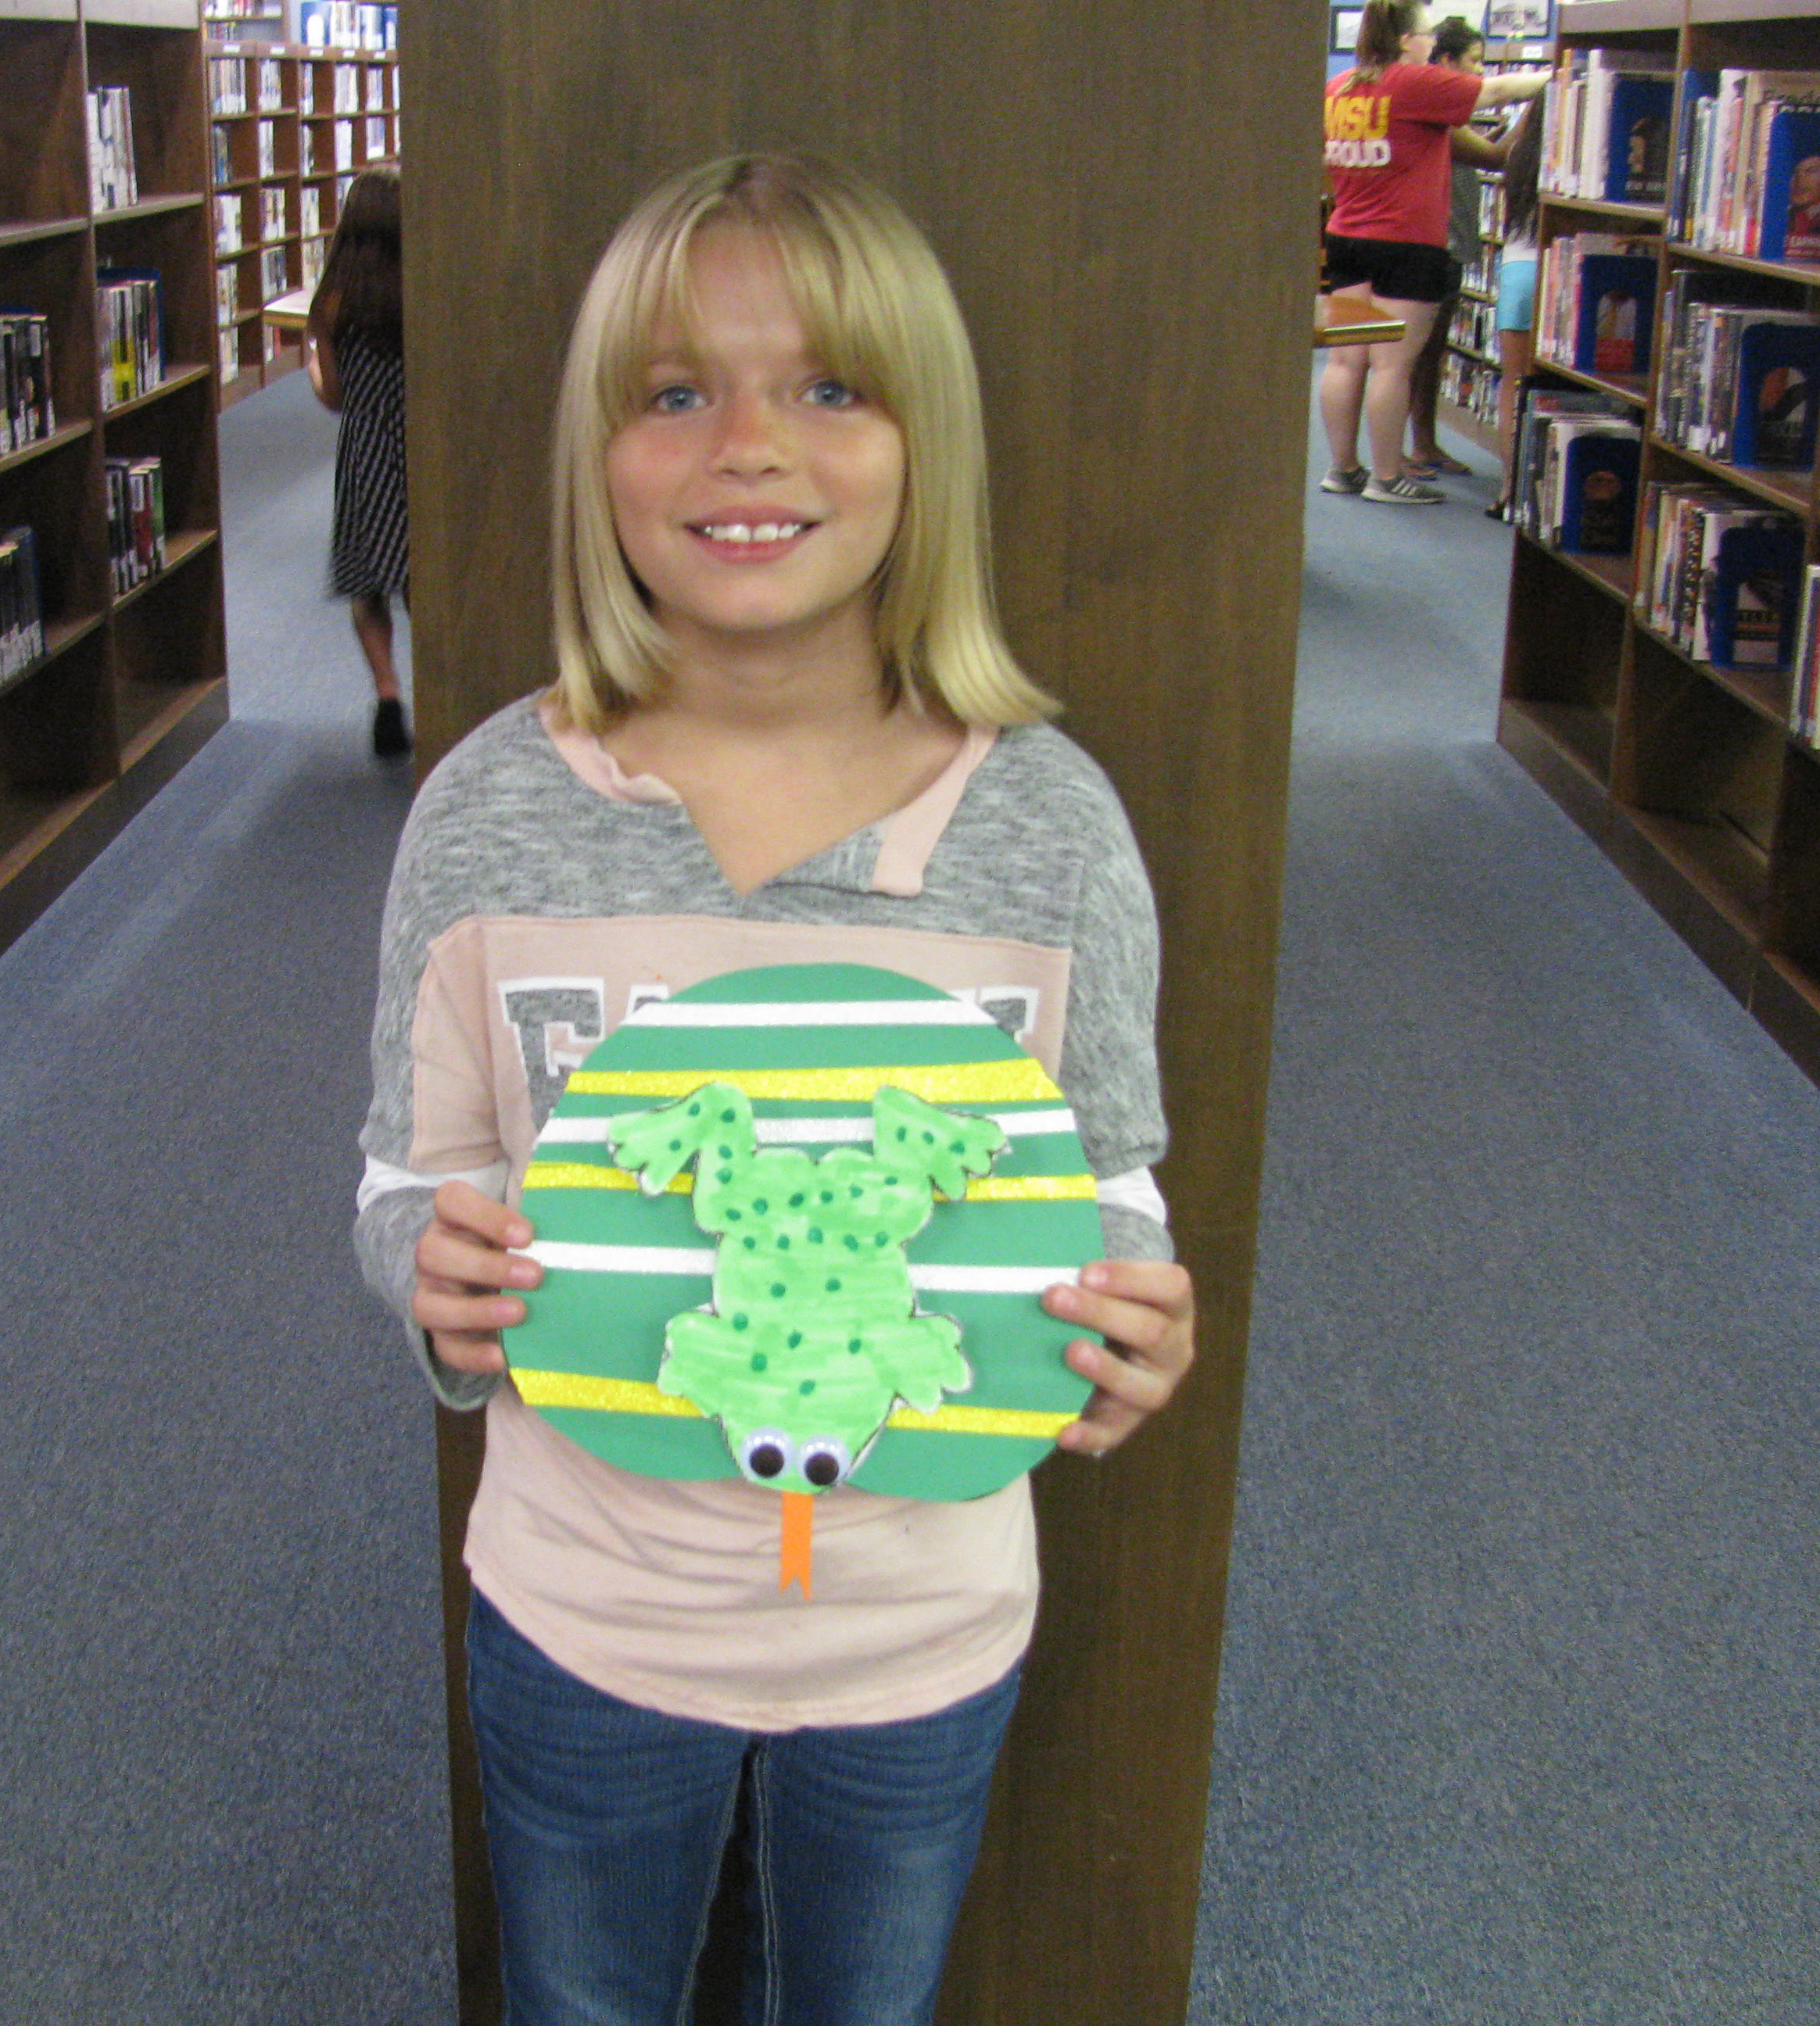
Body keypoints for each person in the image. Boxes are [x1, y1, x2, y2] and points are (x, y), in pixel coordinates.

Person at [353, 154, 1198, 2024]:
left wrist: (1131, 1312)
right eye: (675, 391)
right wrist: (427, 1267)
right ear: (599, 455)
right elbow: (406, 1172)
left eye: (826, 385)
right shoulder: (486, 815)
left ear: (924, 444)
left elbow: (1109, 1188)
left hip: (920, 1630)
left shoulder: (1048, 829)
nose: (749, 445)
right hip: (584, 1610)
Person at [1319, 0, 1546, 504]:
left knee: (1346, 361)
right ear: (1405, 40)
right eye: (1426, 34)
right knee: (1392, 365)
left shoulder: (1340, 88)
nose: (1430, 43)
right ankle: (1386, 477)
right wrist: (1557, 77)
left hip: (1347, 236)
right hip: (1406, 242)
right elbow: (1499, 90)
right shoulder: (1413, 81)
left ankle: (1343, 468)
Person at [307, 165, 411, 757]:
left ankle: (388, 695)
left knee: (368, 582)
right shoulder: (421, 290)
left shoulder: (332, 301)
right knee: (423, 576)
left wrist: (315, 372)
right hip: (419, 445)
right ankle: (443, 689)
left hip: (367, 451)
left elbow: (334, 396)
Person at [1403, 16, 1511, 481]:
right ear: (1446, 62)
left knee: (1430, 353)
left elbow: (1481, 152)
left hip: (1449, 243)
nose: (1480, 71)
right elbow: (1494, 157)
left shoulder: (1445, 116)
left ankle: (1422, 443)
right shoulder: (1435, 115)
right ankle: (1406, 449)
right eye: (1474, 61)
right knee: (1415, 354)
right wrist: (1533, 118)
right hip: (1435, 244)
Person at [1489, 102, 1542, 520]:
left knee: (1514, 383)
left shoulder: (1521, 155)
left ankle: (1509, 487)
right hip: (1567, 267)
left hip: (1519, 269)